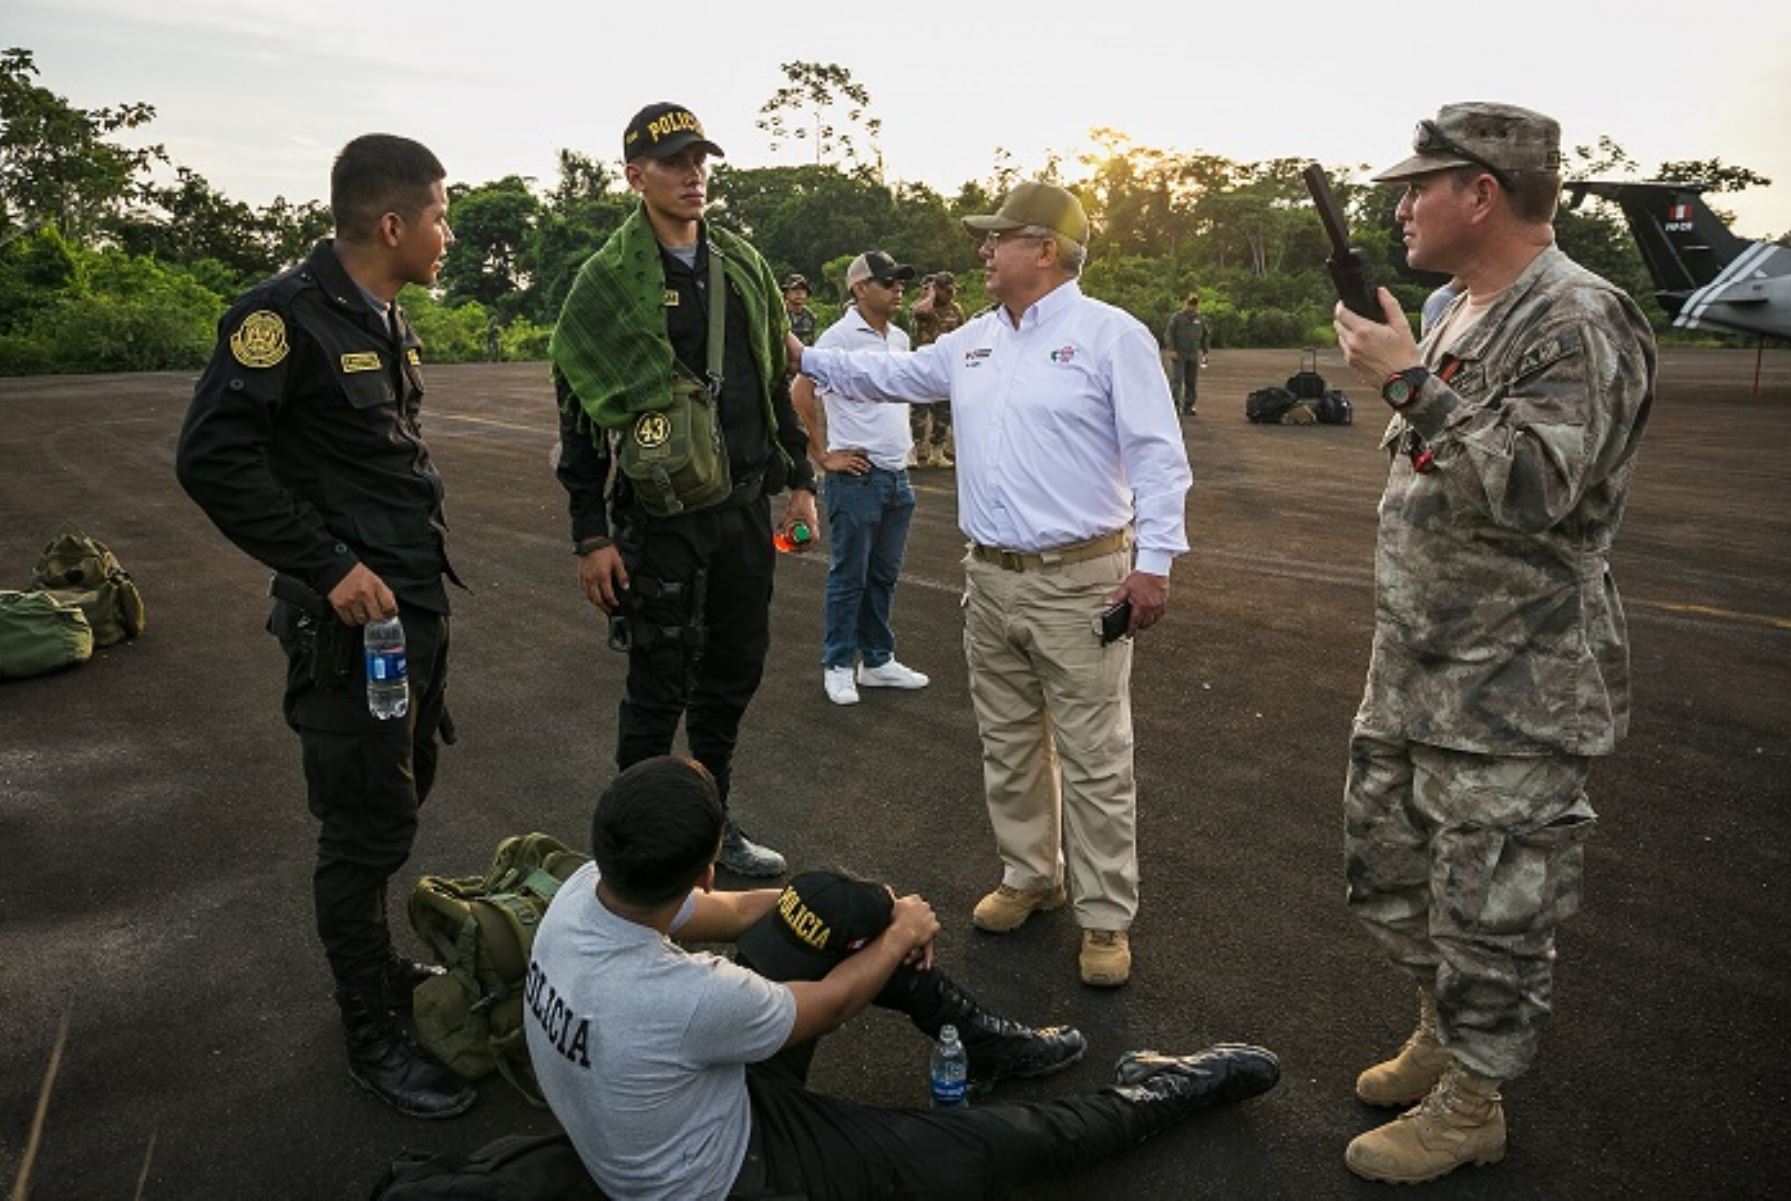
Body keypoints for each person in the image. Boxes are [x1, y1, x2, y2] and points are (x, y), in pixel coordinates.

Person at [1332, 102, 1656, 1184]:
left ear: (1482, 193)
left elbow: (1536, 487)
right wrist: (1413, 365)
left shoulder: (1578, 318)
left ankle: (1474, 1098)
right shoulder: (1451, 307)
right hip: (1420, 663)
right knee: (1393, 870)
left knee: (1497, 902)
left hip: (1514, 682)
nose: (1400, 202)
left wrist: (1405, 381)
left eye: (1421, 184)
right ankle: (1442, 1028)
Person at [525, 755, 1281, 1201]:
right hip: (739, 1168)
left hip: (678, 1095)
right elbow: (831, 1002)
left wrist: (867, 909)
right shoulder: (688, 998)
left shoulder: (581, 893)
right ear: (705, 861)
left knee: (823, 899)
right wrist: (901, 934)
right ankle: (1176, 1085)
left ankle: (980, 1044)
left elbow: (723, 910)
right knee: (995, 1147)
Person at [797, 182, 1193, 988]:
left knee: (1095, 758)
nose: (982, 250)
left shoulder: (1111, 336)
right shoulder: (972, 340)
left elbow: (1158, 456)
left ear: (1044, 249)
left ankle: (1106, 916)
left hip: (1083, 579)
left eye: (997, 237)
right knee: (1009, 746)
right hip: (992, 576)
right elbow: (891, 376)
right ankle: (1030, 876)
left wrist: (1154, 564)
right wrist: (800, 356)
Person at [175, 134, 475, 1119]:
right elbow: (213, 459)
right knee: (361, 828)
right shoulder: (276, 318)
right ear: (392, 224)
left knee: (398, 797)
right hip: (347, 630)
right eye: (439, 213)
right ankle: (369, 1030)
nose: (447, 230)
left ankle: (379, 967)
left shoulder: (381, 314)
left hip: (406, 620)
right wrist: (329, 565)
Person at [548, 103, 818, 879]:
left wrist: (799, 481)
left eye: (699, 159)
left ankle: (712, 826)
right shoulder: (606, 283)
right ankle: (631, 849)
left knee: (732, 671)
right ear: (635, 176)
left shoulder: (744, 265)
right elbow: (579, 418)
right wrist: (590, 535)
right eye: (672, 162)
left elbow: (774, 382)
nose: (691, 173)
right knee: (657, 682)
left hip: (740, 507)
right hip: (658, 520)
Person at [789, 250, 931, 707]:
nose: (897, 288)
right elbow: (800, 392)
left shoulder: (902, 338)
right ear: (859, 288)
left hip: (896, 473)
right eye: (887, 281)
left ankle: (876, 660)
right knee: (849, 575)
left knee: (884, 575)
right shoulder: (837, 338)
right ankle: (837, 664)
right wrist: (823, 454)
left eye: (899, 280)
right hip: (858, 476)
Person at [908, 271, 964, 467]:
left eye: (952, 290)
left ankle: (936, 453)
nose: (951, 294)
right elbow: (920, 313)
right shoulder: (921, 306)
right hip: (922, 368)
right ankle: (913, 451)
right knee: (918, 412)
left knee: (943, 414)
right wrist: (931, 294)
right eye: (947, 290)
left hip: (945, 368)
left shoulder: (955, 309)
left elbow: (961, 335)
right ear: (936, 289)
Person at [1163, 294, 1211, 414]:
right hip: (1179, 353)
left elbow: (1205, 335)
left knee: (1191, 381)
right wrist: (1171, 349)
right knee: (1176, 380)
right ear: (1186, 303)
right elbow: (1169, 334)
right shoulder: (1177, 318)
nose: (1192, 307)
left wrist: (1205, 352)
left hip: (1193, 353)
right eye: (1190, 304)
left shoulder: (1200, 319)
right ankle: (1174, 406)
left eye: (1194, 304)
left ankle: (1189, 406)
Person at [781, 273, 817, 347]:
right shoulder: (780, 315)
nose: (799, 293)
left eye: (803, 289)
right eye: (794, 289)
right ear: (786, 293)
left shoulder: (811, 316)